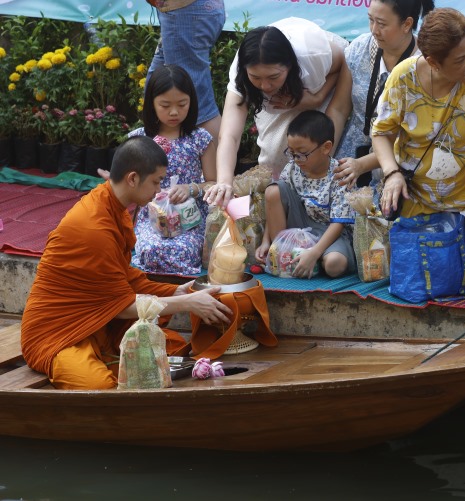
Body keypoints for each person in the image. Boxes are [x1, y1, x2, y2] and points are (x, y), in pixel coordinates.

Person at [20, 136, 233, 390]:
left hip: (98, 321)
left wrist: (176, 291)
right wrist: (187, 302)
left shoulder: (114, 206)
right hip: (57, 334)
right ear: (133, 178)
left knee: (173, 346)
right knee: (98, 385)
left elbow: (124, 277)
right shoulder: (93, 227)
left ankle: (108, 356)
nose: (158, 190)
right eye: (156, 181)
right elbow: (121, 306)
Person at [372, 7, 465, 288]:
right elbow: (381, 133)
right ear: (433, 62)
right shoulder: (403, 78)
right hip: (419, 201)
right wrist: (392, 173)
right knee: (421, 281)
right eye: (461, 60)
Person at [204, 18, 349, 208]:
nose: (265, 86)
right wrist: (224, 181)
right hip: (285, 96)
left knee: (313, 152)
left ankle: (315, 205)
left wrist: (316, 98)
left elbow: (340, 65)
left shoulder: (314, 54)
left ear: (289, 66)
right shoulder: (241, 73)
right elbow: (229, 136)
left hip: (316, 84)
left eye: (273, 77)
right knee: (273, 158)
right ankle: (280, 208)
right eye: (255, 77)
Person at [326, 0, 435, 189]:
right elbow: (339, 109)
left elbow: (414, 136)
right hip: (348, 158)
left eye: (382, 24)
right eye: (371, 20)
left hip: (398, 165)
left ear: (407, 24)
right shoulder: (359, 48)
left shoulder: (423, 65)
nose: (374, 30)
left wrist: (362, 164)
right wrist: (324, 155)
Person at [129, 64, 216, 275]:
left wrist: (191, 189)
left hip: (189, 217)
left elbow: (214, 183)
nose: (174, 112)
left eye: (182, 104)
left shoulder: (200, 139)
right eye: (165, 105)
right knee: (151, 249)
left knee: (182, 250)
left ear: (192, 103)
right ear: (152, 104)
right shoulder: (139, 139)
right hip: (153, 217)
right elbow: (129, 184)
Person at [255, 110, 356, 278]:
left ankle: (312, 258)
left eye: (302, 154)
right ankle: (281, 250)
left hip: (329, 234)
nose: (295, 159)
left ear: (326, 148)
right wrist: (266, 242)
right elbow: (274, 204)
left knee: (334, 265)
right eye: (292, 153)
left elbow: (338, 224)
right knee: (273, 190)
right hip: (299, 228)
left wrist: (315, 252)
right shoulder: (292, 167)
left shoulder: (340, 174)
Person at [145, 0, 225, 144]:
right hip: (183, 12)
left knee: (198, 104)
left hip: (185, 12)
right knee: (155, 87)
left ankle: (219, 165)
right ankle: (161, 160)